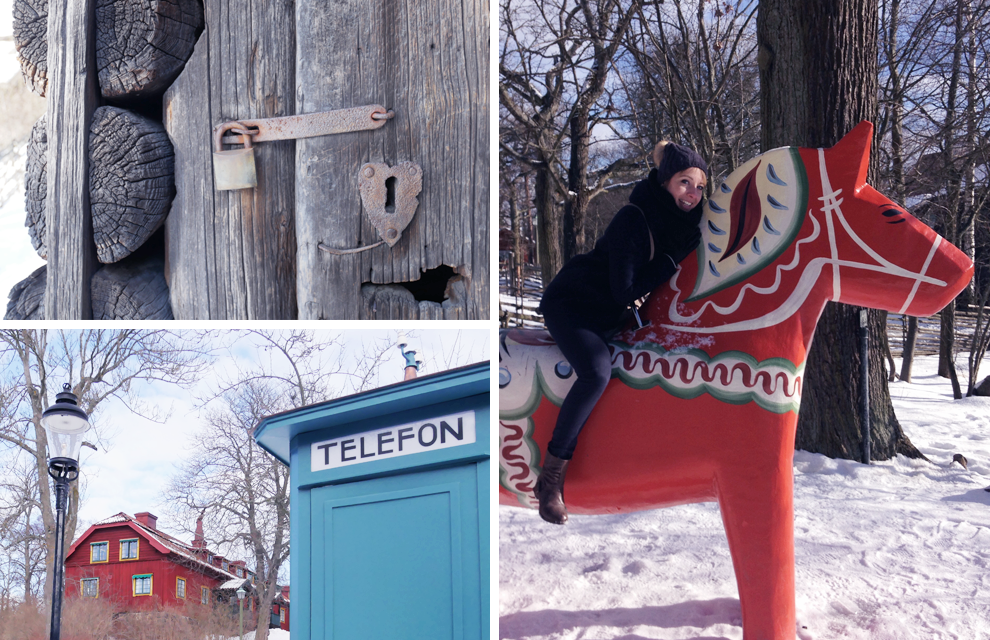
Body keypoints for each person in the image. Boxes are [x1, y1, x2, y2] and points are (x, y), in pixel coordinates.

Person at [534, 141, 708, 524]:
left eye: (699, 186)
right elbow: (625, 289)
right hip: (575, 306)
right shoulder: (635, 218)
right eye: (684, 182)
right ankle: (550, 480)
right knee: (597, 371)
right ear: (664, 182)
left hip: (611, 314)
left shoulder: (681, 226)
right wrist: (667, 259)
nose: (693, 194)